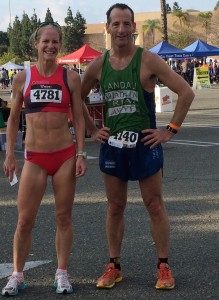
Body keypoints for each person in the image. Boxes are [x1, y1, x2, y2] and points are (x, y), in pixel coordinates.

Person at [81, 3, 195, 291]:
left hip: (145, 144)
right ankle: (114, 266)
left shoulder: (148, 60)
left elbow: (186, 92)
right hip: (113, 146)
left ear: (134, 28)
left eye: (126, 24)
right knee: (115, 206)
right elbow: (76, 99)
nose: (121, 29)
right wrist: (93, 129)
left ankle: (163, 266)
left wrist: (170, 130)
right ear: (107, 27)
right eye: (116, 24)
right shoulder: (98, 65)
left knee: (154, 205)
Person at [2, 21, 87, 297]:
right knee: (24, 220)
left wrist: (81, 153)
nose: (50, 46)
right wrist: (10, 155)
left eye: (55, 42)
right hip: (34, 158)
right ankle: (18, 274)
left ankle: (62, 273)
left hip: (64, 155)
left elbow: (79, 117)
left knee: (63, 217)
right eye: (45, 41)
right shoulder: (22, 78)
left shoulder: (70, 77)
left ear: (59, 45)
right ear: (36, 44)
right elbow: (13, 119)